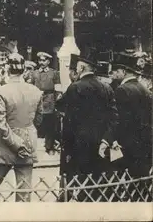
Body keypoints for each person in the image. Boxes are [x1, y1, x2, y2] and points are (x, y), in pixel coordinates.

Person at [56, 53, 119, 201]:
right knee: (96, 184)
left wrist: (66, 145)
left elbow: (69, 121)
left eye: (77, 68)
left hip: (79, 145)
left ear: (82, 68)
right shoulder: (107, 88)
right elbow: (114, 118)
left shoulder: (75, 87)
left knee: (75, 182)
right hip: (99, 145)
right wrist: (106, 140)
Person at [0, 53, 43, 202]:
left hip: (2, 144)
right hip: (27, 143)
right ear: (24, 70)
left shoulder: (1, 91)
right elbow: (39, 119)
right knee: (24, 191)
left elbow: (0, 122)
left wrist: (14, 141)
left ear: (7, 69)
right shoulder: (36, 91)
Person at [112, 53, 152, 181]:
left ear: (123, 72)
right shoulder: (145, 89)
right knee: (142, 178)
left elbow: (120, 119)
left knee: (127, 176)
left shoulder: (122, 89)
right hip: (145, 140)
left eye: (116, 71)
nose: (114, 74)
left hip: (128, 142)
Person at [29, 52, 61, 155]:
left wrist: (57, 103)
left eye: (44, 60)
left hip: (50, 100)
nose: (41, 62)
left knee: (50, 125)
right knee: (35, 123)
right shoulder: (34, 73)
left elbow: (58, 90)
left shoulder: (54, 73)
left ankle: (49, 146)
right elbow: (30, 88)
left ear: (48, 61)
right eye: (40, 60)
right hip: (37, 100)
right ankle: (33, 147)